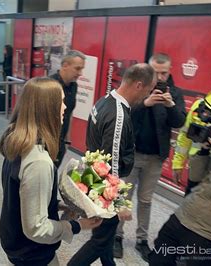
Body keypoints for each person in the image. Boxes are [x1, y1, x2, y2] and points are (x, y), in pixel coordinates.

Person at [0, 77, 103, 265]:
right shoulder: (38, 161)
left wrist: (60, 205)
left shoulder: (16, 141)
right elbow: (37, 228)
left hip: (16, 245)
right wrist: (78, 226)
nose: (64, 108)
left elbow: (22, 196)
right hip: (33, 254)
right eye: (60, 102)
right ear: (47, 109)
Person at [68, 63, 157, 266]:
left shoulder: (104, 101)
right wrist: (119, 203)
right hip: (104, 189)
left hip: (94, 181)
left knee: (105, 239)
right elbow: (111, 162)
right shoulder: (118, 115)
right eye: (148, 90)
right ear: (139, 85)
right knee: (100, 242)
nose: (147, 95)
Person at [114, 53, 186, 261]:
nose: (160, 77)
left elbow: (179, 122)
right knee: (123, 197)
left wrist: (170, 105)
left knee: (145, 200)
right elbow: (123, 112)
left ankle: (142, 240)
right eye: (156, 72)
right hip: (132, 153)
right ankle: (116, 237)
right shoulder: (138, 88)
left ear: (170, 71)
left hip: (156, 157)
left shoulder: (175, 93)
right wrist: (145, 103)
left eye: (164, 72)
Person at [149, 130, 211, 265]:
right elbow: (195, 177)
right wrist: (203, 151)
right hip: (182, 217)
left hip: (207, 233)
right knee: (157, 260)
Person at [172, 80, 211, 194]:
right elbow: (184, 136)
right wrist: (178, 163)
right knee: (189, 202)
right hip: (197, 167)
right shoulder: (199, 105)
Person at [50, 50, 86, 165]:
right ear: (65, 65)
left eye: (82, 69)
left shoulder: (73, 86)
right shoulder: (49, 85)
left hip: (60, 142)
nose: (80, 73)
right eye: (77, 68)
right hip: (47, 142)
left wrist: (67, 140)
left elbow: (69, 113)